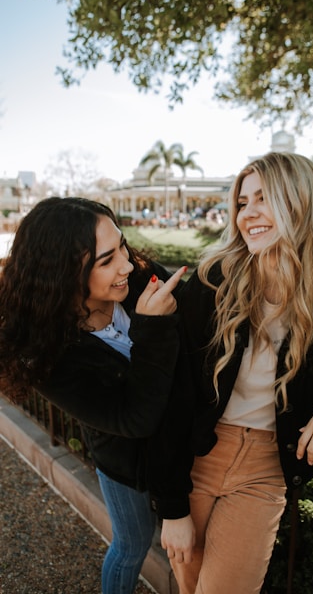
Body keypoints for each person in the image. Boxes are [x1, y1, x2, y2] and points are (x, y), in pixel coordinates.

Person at [148, 152, 313, 594]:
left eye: (264, 198)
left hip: (264, 470)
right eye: (242, 202)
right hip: (194, 460)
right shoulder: (212, 284)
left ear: (300, 203)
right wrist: (172, 507)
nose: (247, 213)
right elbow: (171, 395)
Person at [0, 196, 187, 594]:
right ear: (64, 274)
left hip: (183, 444)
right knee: (132, 544)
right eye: (106, 260)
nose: (125, 263)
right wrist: (153, 329)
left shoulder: (136, 277)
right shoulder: (46, 354)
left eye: (122, 244)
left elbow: (199, 326)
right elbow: (133, 419)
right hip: (123, 461)